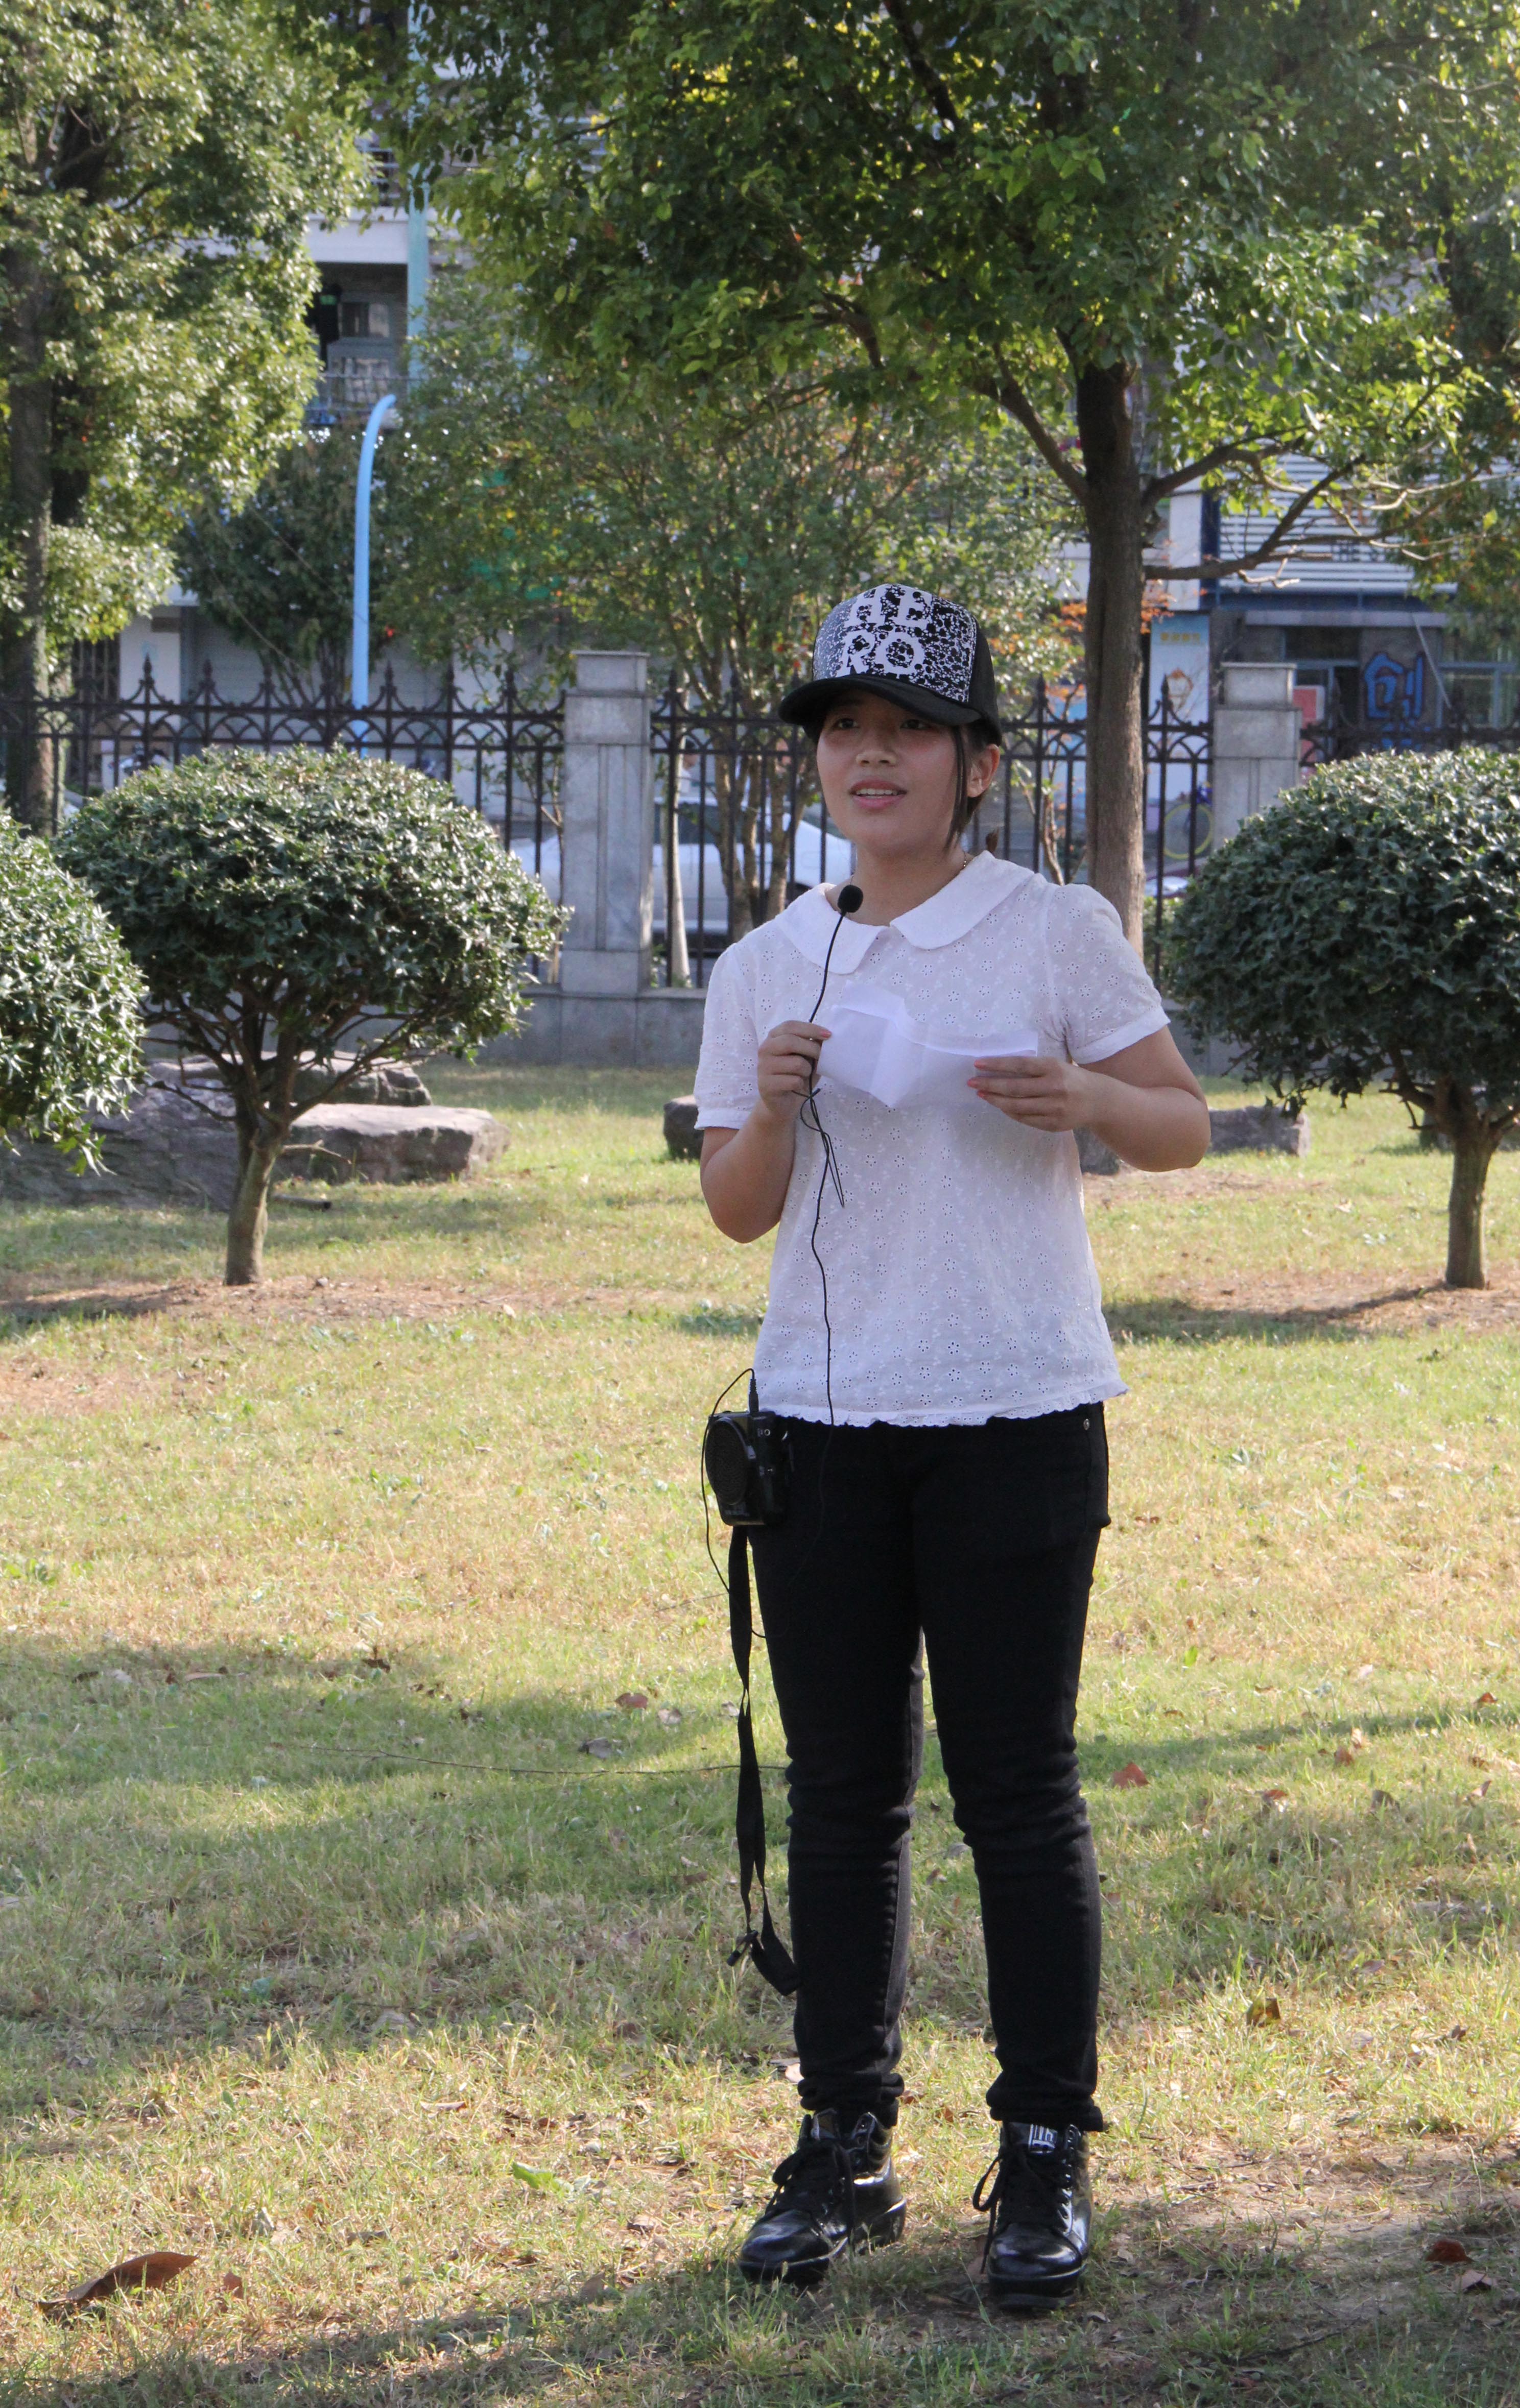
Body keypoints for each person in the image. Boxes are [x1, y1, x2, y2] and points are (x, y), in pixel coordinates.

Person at [691, 585, 1209, 2304]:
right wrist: (774, 1101)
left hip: (1016, 1408)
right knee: (844, 1798)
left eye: (910, 729)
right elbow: (736, 1209)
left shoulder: (1054, 930)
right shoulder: (768, 961)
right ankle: (843, 2141)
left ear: (979, 761)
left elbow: (1184, 1124)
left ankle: (1045, 2146)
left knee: (1017, 1791)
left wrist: (1090, 1100)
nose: (873, 756)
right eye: (845, 728)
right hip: (822, 1425)